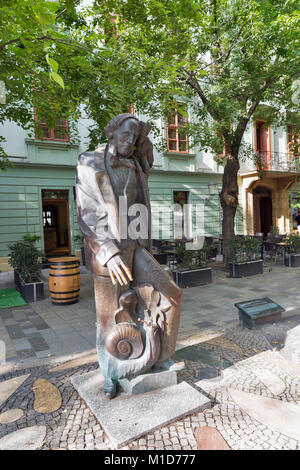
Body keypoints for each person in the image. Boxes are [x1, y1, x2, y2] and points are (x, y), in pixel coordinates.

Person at [76, 114, 182, 398]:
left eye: (135, 138)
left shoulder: (137, 166)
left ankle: (161, 357)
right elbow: (87, 214)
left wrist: (141, 133)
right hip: (108, 254)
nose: (131, 142)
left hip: (136, 248)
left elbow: (148, 155)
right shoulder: (89, 162)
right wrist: (109, 253)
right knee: (110, 319)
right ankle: (112, 373)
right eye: (126, 135)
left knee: (171, 294)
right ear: (111, 133)